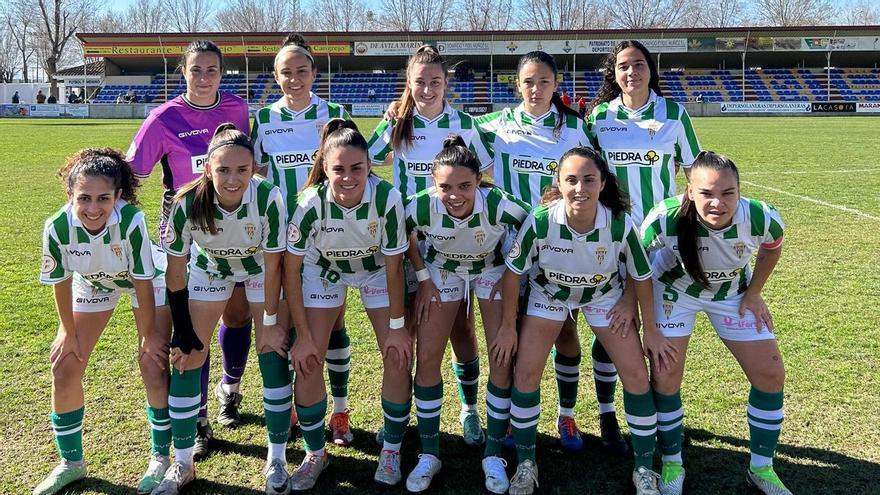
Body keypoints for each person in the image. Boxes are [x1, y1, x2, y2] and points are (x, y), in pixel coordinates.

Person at [475, 51, 623, 454]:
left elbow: (599, 178)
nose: (535, 89)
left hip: (563, 245)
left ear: (555, 85)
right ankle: (508, 419)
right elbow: (450, 128)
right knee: (512, 337)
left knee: (566, 331)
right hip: (510, 250)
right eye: (528, 82)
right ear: (517, 85)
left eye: (543, 81)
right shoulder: (495, 125)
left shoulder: (576, 128)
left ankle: (566, 413)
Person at [499, 147, 664, 495]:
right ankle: (527, 464)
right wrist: (507, 327)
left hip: (603, 296)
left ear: (603, 183)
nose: (580, 188)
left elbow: (641, 275)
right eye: (571, 180)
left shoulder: (619, 223)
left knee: (635, 374)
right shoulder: (542, 219)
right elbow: (514, 273)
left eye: (589, 179)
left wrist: (648, 329)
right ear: (558, 182)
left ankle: (645, 468)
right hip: (550, 295)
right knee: (526, 372)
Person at [126, 39, 251, 461]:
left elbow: (249, 163)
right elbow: (132, 174)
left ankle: (230, 389)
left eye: (211, 70)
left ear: (221, 72)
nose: (203, 77)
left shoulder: (238, 109)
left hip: (234, 227)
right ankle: (198, 419)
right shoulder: (163, 118)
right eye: (195, 69)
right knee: (192, 325)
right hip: (184, 231)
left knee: (236, 314)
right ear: (183, 71)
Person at [641, 151, 789, 495]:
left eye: (727, 193)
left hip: (732, 294)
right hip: (674, 292)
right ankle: (673, 462)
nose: (717, 203)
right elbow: (638, 267)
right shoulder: (664, 218)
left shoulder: (760, 216)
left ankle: (762, 468)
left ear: (740, 191)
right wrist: (647, 324)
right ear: (689, 192)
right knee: (665, 376)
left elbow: (772, 248)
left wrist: (753, 293)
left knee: (770, 374)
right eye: (706, 193)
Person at [368, 45, 494, 448]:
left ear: (445, 83)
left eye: (434, 81)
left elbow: (485, 175)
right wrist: (388, 121)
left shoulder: (463, 124)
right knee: (402, 327)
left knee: (459, 327)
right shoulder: (398, 122)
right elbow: (367, 160)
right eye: (419, 81)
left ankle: (469, 410)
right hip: (407, 241)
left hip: (453, 243)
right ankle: (400, 417)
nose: (427, 88)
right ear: (409, 82)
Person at [154, 124, 288, 495]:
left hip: (260, 268)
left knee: (272, 350)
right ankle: (182, 463)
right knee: (186, 356)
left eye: (242, 170)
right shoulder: (185, 203)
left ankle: (276, 458)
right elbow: (176, 271)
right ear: (207, 169)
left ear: (254, 169)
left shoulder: (268, 197)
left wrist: (273, 322)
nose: (233, 179)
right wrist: (182, 330)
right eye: (223, 170)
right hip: (210, 269)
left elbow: (276, 264)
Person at [33, 149, 171, 495]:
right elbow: (61, 281)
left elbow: (141, 280)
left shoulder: (131, 221)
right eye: (84, 198)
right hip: (94, 282)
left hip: (149, 282)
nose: (93, 208)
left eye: (103, 198)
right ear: (70, 195)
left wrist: (148, 336)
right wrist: (67, 331)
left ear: (118, 196)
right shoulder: (57, 226)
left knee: (152, 365)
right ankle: (71, 463)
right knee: (64, 366)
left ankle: (161, 458)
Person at [284, 119, 411, 489]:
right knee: (307, 360)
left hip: (374, 272)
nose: (348, 176)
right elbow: (292, 272)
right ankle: (315, 453)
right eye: (338, 168)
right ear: (324, 167)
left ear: (370, 165)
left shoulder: (387, 198)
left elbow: (393, 267)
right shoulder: (309, 203)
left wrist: (399, 331)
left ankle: (391, 448)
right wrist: (303, 336)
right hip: (324, 271)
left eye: (357, 167)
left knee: (399, 355)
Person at [585, 40, 703, 437]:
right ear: (613, 74)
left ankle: (658, 410)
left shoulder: (674, 115)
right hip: (615, 242)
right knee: (614, 327)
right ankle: (607, 414)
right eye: (622, 66)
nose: (631, 72)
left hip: (660, 247)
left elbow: (695, 175)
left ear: (650, 70)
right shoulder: (599, 117)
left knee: (660, 328)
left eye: (638, 64)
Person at [403, 136, 530, 493]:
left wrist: (511, 267)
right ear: (433, 183)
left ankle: (493, 454)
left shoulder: (499, 204)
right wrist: (423, 276)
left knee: (501, 357)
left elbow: (532, 225)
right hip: (441, 269)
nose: (455, 195)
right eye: (445, 187)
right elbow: (400, 230)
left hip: (490, 269)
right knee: (427, 356)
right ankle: (429, 454)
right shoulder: (421, 206)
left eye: (465, 186)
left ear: (479, 181)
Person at [251, 32, 355, 445]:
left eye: (301, 71)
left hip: (327, 233)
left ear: (314, 72)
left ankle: (341, 409)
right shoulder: (262, 120)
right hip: (281, 237)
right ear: (276, 77)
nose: (295, 79)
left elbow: (351, 167)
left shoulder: (335, 114)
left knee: (334, 321)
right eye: (286, 73)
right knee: (291, 318)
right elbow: (257, 176)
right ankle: (298, 404)